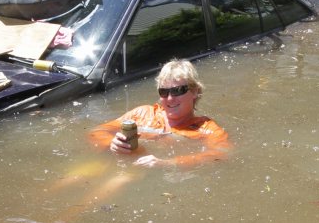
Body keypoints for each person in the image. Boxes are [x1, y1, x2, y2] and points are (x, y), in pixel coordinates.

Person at [89, 59, 230, 168]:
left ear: (195, 92)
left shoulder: (206, 129)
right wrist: (111, 143)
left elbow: (223, 153)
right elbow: (97, 131)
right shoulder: (142, 113)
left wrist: (168, 163)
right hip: (113, 164)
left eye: (178, 91)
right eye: (164, 91)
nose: (169, 98)